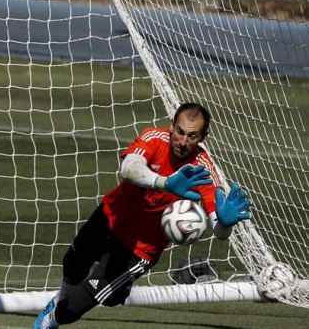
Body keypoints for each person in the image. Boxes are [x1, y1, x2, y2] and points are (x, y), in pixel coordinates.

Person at [33, 102, 252, 328]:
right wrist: (165, 183)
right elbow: (129, 167)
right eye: (180, 132)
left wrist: (225, 225)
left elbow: (218, 225)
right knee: (73, 263)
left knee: (74, 308)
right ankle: (60, 300)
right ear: (172, 126)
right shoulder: (154, 138)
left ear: (203, 137)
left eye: (193, 136)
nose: (183, 142)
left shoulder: (203, 171)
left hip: (138, 250)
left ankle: (51, 321)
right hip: (110, 216)